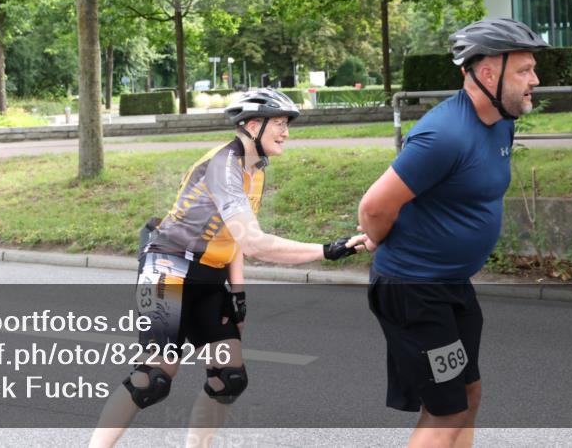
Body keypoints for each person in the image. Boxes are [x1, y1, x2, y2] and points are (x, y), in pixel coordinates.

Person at [90, 88, 366, 448]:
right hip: (167, 270)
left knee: (228, 378)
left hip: (209, 276)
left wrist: (237, 295)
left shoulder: (255, 168)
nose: (286, 132)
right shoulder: (225, 166)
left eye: (286, 125)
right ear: (253, 125)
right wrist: (328, 250)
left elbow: (234, 237)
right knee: (152, 379)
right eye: (279, 124)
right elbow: (254, 242)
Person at [355, 18, 548, 448]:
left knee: (467, 393)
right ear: (486, 73)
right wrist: (379, 237)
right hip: (415, 291)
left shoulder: (501, 120)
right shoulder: (443, 134)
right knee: (448, 410)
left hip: (451, 288)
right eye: (524, 70)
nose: (535, 80)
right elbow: (373, 206)